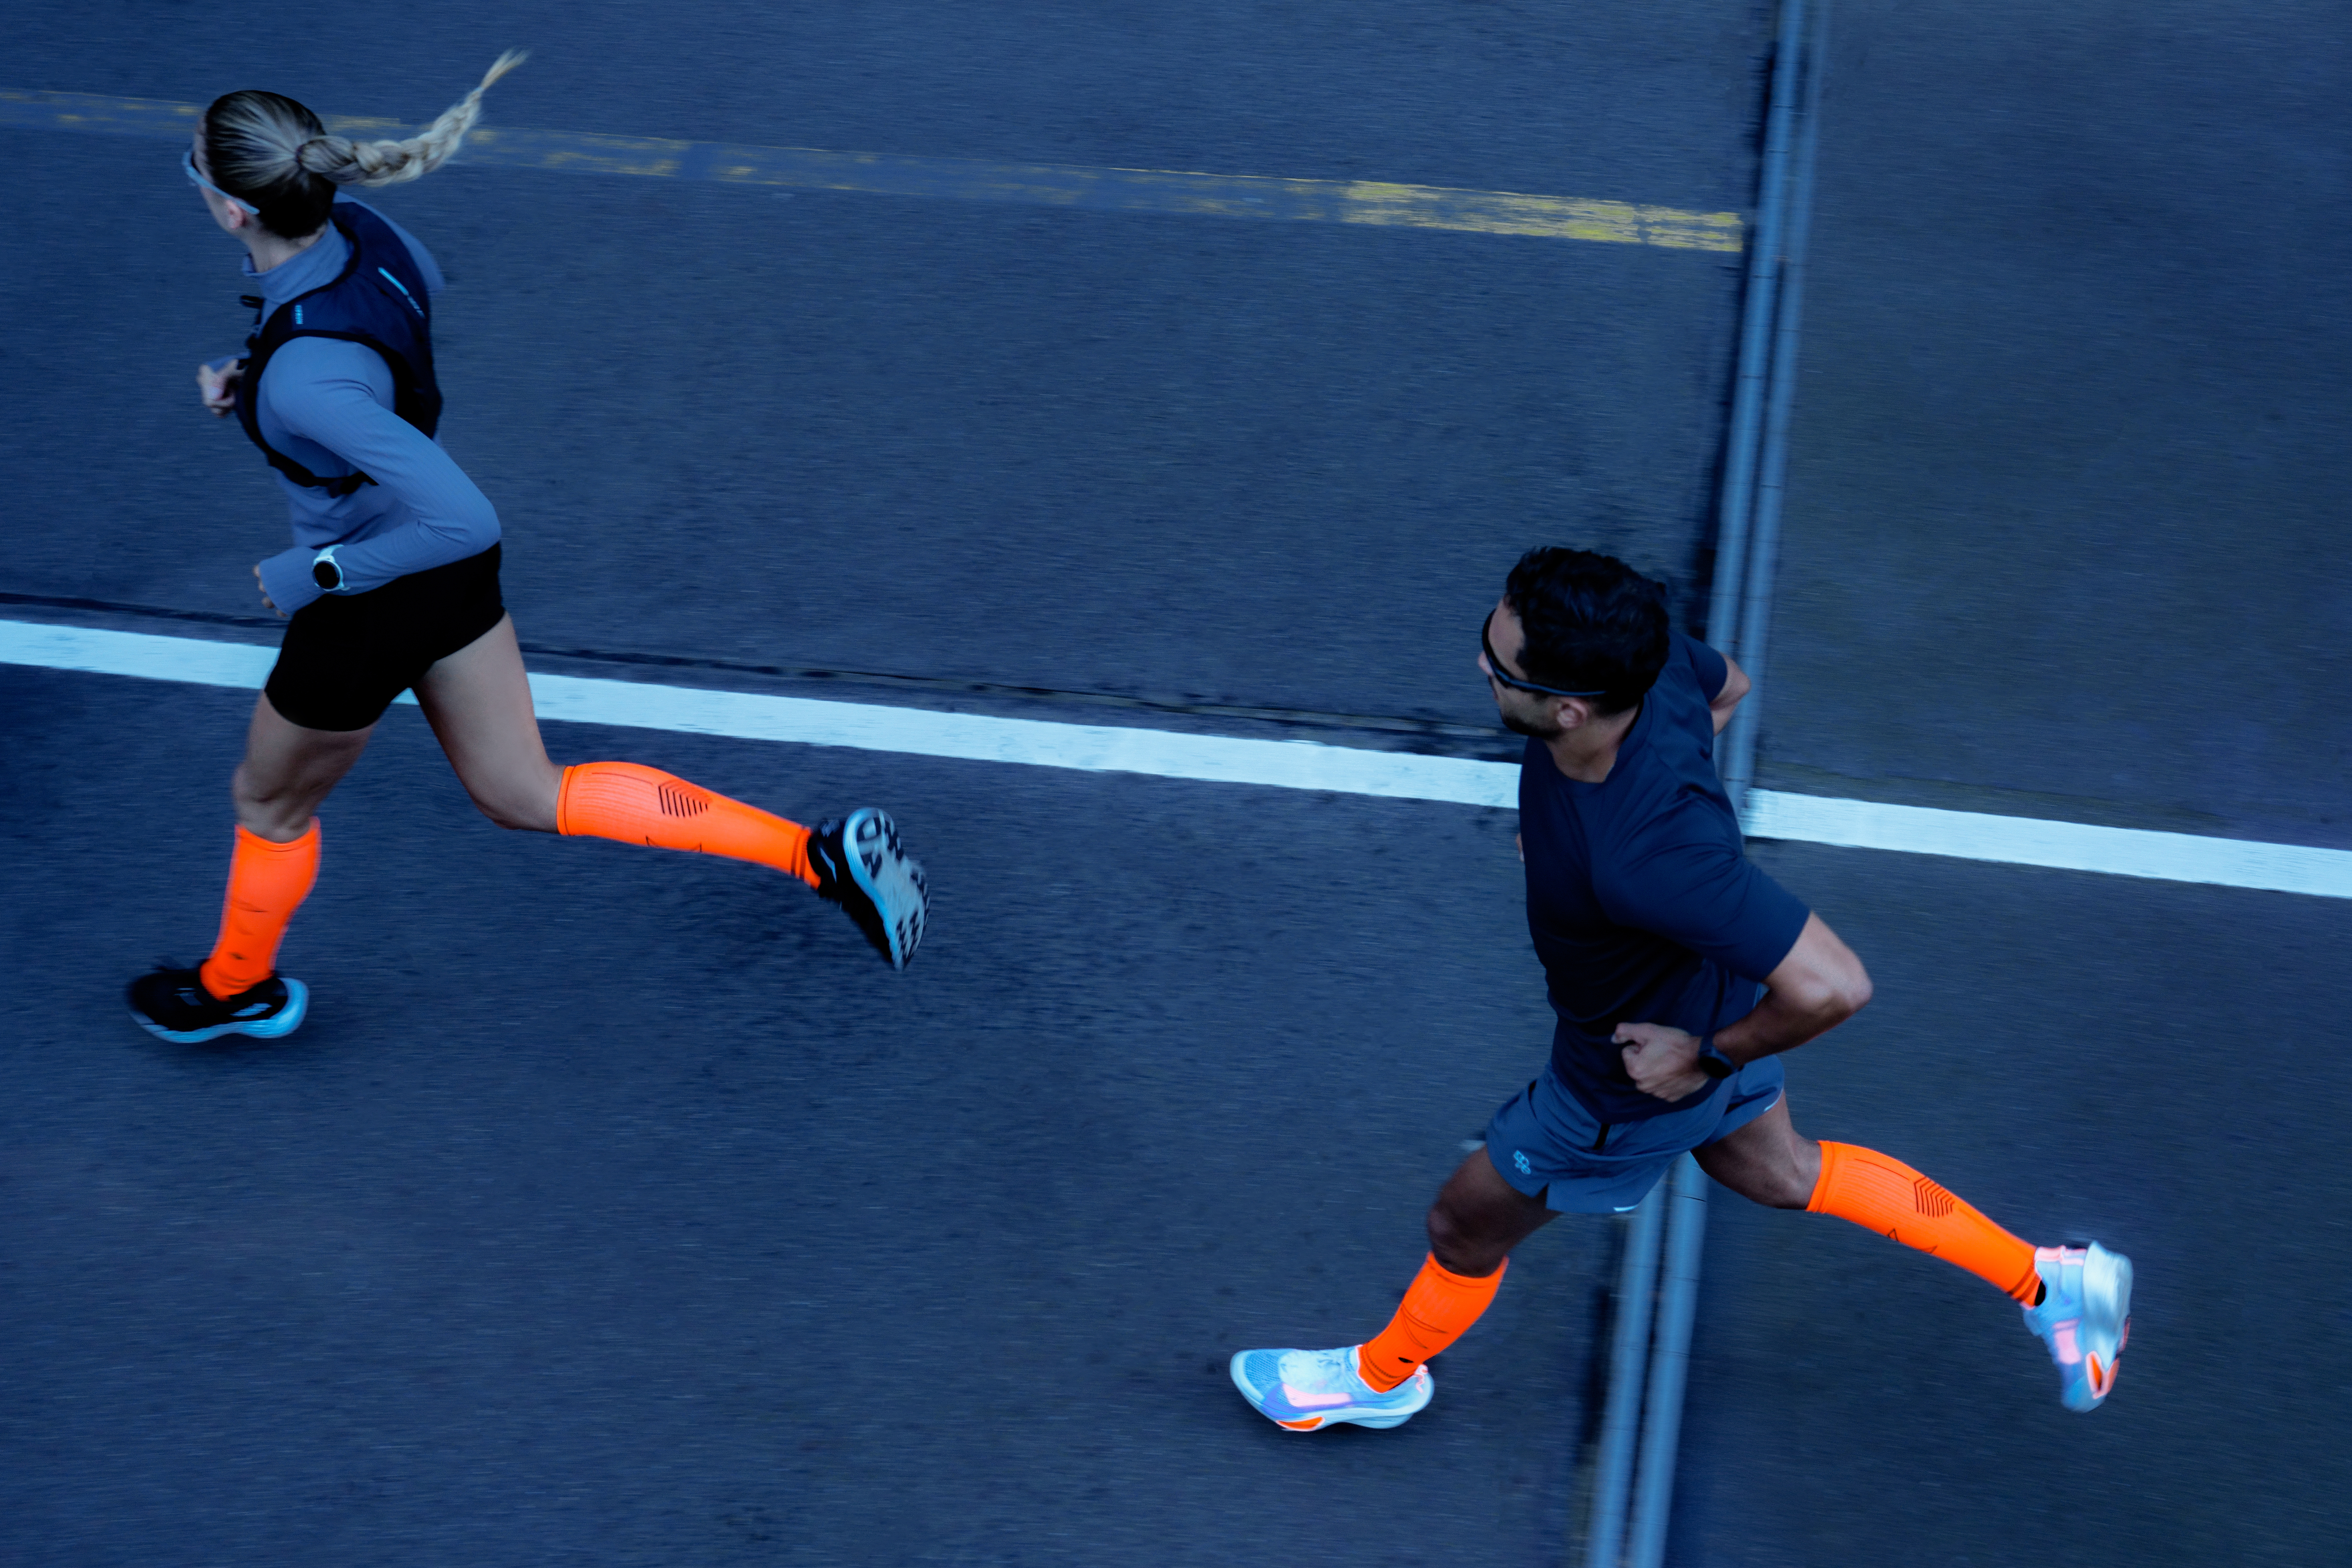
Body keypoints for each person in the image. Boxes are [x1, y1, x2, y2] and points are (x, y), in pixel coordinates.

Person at [1228, 547, 2130, 1429]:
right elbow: (1728, 687)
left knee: (1463, 1224)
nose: (1481, 664)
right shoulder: (1654, 672)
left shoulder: (1646, 861)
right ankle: (2052, 1282)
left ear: (1570, 711)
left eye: (1501, 667)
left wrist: (1702, 1058)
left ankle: (1376, 1381)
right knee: (1781, 1173)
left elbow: (1835, 986)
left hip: (1624, 1082)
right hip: (1722, 998)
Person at [129, 55, 929, 1046]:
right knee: (524, 792)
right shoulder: (376, 240)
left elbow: (463, 514)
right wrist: (255, 386)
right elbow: (371, 347)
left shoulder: (304, 382)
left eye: (196, 172)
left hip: (377, 591)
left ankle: (235, 987)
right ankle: (818, 856)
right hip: (443, 584)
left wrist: (312, 572)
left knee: (270, 800)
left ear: (234, 211)